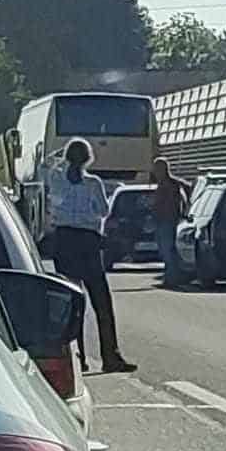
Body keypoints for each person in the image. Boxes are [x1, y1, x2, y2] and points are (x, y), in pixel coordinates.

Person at [49, 138, 136, 373]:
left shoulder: (57, 179)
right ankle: (110, 355)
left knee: (71, 300)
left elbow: (47, 173)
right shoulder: (93, 183)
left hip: (64, 240)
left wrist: (59, 158)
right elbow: (103, 211)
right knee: (101, 300)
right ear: (89, 158)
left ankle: (78, 358)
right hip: (87, 241)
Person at [151, 157, 191, 287]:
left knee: (168, 249)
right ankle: (170, 277)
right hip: (162, 219)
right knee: (165, 249)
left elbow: (185, 194)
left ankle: (172, 278)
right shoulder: (165, 183)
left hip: (168, 220)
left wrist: (185, 211)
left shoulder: (172, 184)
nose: (155, 172)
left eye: (157, 168)